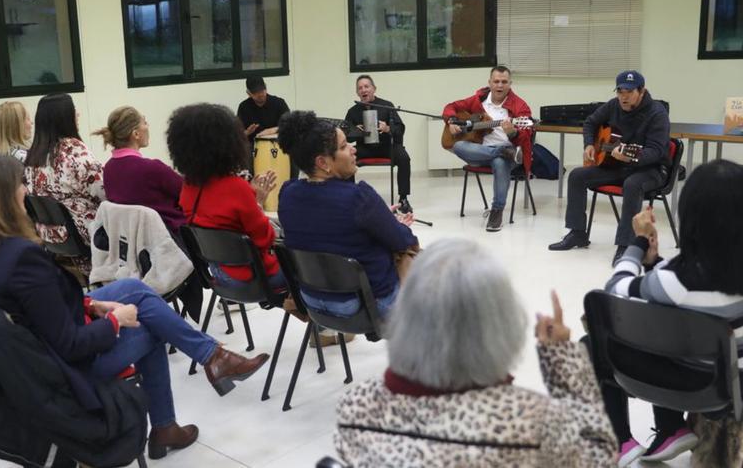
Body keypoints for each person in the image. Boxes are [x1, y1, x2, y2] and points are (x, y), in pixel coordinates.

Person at [0, 150, 270, 460]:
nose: (24, 191)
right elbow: (72, 345)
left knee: (133, 288)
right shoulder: (21, 259)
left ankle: (211, 361)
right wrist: (116, 322)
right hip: (59, 375)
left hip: (17, 373)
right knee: (150, 323)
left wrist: (90, 304)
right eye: (19, 184)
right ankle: (179, 407)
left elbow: (28, 309)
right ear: (0, 199)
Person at [334, 238, 617, 467]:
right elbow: (600, 458)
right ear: (502, 324)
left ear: (406, 314)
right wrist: (562, 360)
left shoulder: (357, 407)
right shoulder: (532, 422)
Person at [598, 159, 743, 466]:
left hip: (685, 386)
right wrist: (656, 261)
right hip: (731, 387)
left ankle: (624, 439)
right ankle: (670, 430)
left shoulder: (675, 283)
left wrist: (637, 246)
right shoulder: (677, 280)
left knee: (595, 340)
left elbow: (615, 289)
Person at [276, 111, 417, 322]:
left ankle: (326, 333)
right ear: (323, 163)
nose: (353, 149)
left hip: (312, 301)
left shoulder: (287, 193)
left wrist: (379, 217)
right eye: (343, 147)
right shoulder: (360, 198)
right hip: (365, 307)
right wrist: (393, 223)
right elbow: (403, 240)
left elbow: (324, 226)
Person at [549, 70, 670, 263]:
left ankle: (626, 246)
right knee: (577, 176)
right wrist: (589, 143)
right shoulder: (613, 105)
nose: (623, 96)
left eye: (629, 92)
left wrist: (630, 158)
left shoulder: (657, 113)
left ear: (642, 91)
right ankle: (578, 233)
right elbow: (590, 122)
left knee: (632, 184)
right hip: (616, 165)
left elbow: (655, 151)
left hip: (652, 170)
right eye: (620, 91)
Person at [97, 105, 204, 321]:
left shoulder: (109, 169)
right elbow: (189, 193)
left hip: (133, 255)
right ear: (136, 134)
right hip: (168, 248)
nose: (148, 126)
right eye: (145, 122)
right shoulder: (151, 169)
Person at [167, 103, 284, 292]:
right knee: (310, 276)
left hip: (218, 275)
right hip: (255, 279)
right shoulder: (237, 187)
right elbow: (266, 240)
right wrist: (257, 202)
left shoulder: (188, 186)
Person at [442, 65, 532, 232]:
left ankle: (497, 211)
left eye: (504, 82)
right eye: (496, 81)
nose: (500, 85)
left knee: (499, 162)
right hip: (480, 150)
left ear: (510, 83)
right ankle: (502, 152)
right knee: (459, 145)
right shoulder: (478, 100)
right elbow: (450, 106)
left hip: (511, 151)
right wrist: (452, 120)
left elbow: (526, 136)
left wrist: (512, 134)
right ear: (489, 82)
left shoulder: (520, 106)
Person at [24, 93, 105, 247]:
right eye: (74, 110)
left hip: (54, 238)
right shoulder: (73, 150)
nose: (78, 114)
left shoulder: (33, 156)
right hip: (87, 235)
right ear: (64, 117)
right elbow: (102, 190)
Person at [344, 75, 413, 213]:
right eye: (360, 88)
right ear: (357, 93)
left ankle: (403, 198)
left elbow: (400, 129)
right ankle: (350, 197)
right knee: (345, 158)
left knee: (404, 158)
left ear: (374, 89)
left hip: (387, 147)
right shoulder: (353, 111)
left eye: (366, 86)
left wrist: (387, 128)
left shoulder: (386, 106)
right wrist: (356, 132)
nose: (363, 90)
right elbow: (346, 137)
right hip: (365, 148)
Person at [236, 76, 296, 180]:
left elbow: (290, 124)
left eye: (262, 90)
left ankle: (292, 182)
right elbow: (238, 134)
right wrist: (247, 132)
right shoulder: (244, 107)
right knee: (243, 153)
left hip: (280, 142)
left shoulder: (279, 103)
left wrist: (271, 130)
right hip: (254, 145)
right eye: (256, 93)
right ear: (248, 93)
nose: (260, 95)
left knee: (294, 149)